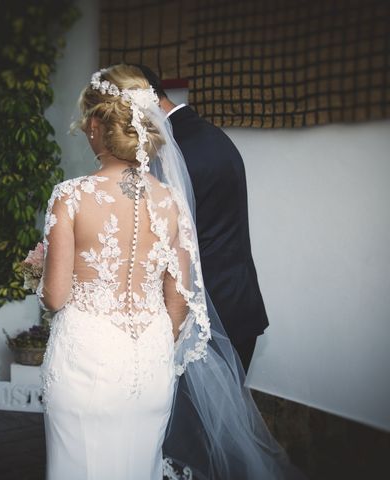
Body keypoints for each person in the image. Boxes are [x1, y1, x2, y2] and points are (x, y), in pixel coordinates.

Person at [37, 65, 303, 480]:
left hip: (86, 363)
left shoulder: (70, 197)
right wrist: (153, 343)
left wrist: (45, 270)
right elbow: (178, 301)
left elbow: (54, 297)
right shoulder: (172, 199)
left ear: (95, 124)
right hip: (151, 364)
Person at [136, 65, 268, 372]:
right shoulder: (212, 135)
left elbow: (157, 242)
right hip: (237, 302)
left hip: (203, 318)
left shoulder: (170, 154)